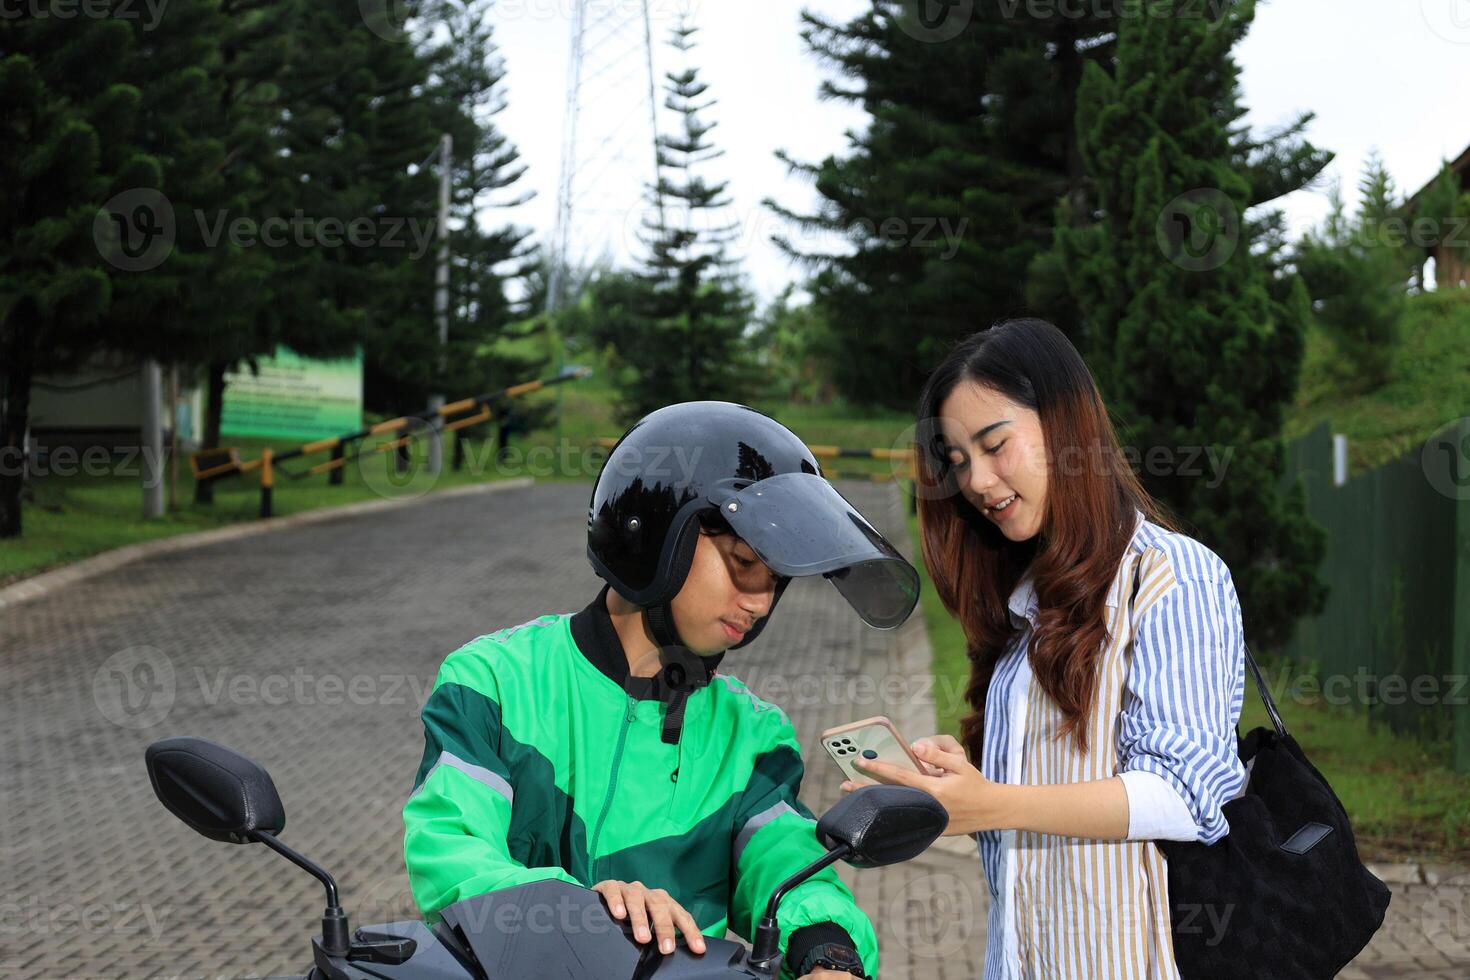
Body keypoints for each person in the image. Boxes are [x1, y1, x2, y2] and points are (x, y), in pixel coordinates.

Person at [403, 400, 922, 980]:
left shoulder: (751, 735)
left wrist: (828, 952)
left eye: (774, 581)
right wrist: (580, 911)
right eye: (745, 561)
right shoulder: (494, 684)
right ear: (653, 543)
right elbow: (452, 849)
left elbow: (784, 861)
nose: (760, 600)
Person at [844, 319, 1248, 979]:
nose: (976, 481)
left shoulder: (1173, 577)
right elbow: (1032, 810)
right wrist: (963, 787)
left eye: (995, 444)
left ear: (1066, 427)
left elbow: (1186, 793)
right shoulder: (1022, 601)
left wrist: (995, 802)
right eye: (957, 460)